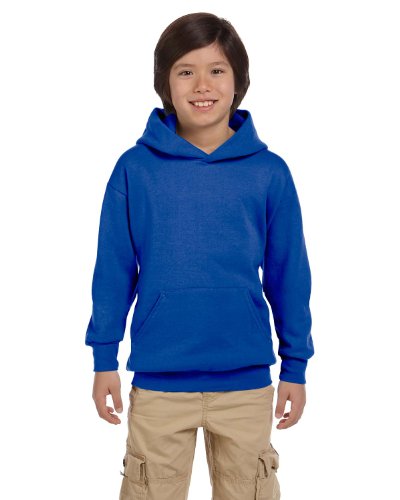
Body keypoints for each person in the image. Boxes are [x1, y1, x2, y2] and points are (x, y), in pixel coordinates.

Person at [85, 11, 314, 500]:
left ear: (238, 81)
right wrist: (104, 358)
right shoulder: (135, 169)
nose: (202, 85)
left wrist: (295, 366)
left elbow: (289, 276)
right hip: (159, 381)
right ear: (165, 82)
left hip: (246, 383)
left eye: (217, 70)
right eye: (186, 70)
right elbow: (113, 272)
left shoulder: (269, 173)